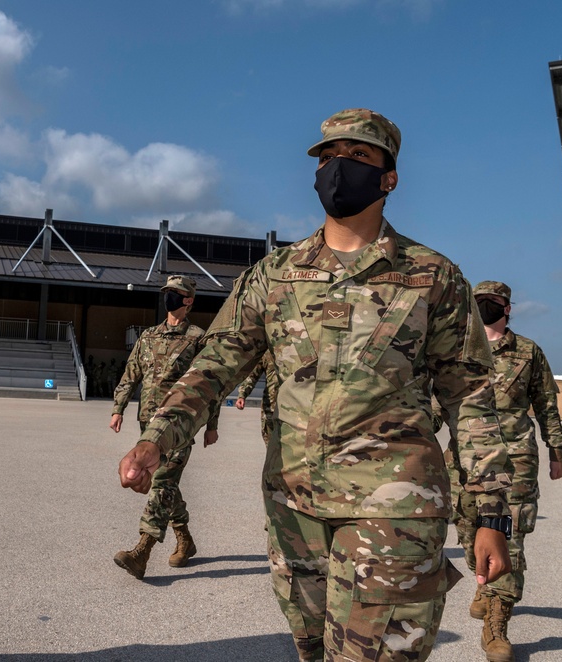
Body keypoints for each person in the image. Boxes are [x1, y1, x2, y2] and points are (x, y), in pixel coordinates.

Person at [118, 109, 513, 661]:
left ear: (389, 177)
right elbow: (215, 364)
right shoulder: (273, 274)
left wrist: (491, 515)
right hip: (294, 506)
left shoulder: (433, 277)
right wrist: (156, 438)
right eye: (327, 158)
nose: (337, 168)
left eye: (357, 156)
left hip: (394, 508)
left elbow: (470, 398)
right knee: (311, 650)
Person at [441, 280, 562, 662]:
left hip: (516, 462)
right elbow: (436, 402)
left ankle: (496, 625)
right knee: (467, 529)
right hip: (465, 459)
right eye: (479, 301)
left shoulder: (528, 352)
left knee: (507, 538)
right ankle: (484, 581)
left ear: (507, 308)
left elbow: (546, 404)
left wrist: (556, 451)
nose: (485, 307)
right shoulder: (457, 350)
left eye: (492, 302)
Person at [109, 275, 220, 579]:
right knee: (166, 482)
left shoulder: (198, 337)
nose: (169, 297)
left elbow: (210, 383)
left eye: (176, 293)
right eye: (167, 292)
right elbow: (131, 373)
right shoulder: (148, 336)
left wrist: (212, 424)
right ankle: (185, 539)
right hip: (149, 425)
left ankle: (141, 551)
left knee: (162, 483)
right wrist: (118, 408)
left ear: (189, 300)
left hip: (182, 422)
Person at [234, 351, 279, 446]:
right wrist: (242, 394)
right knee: (271, 447)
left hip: (296, 408)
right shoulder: (267, 351)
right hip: (271, 406)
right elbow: (252, 375)